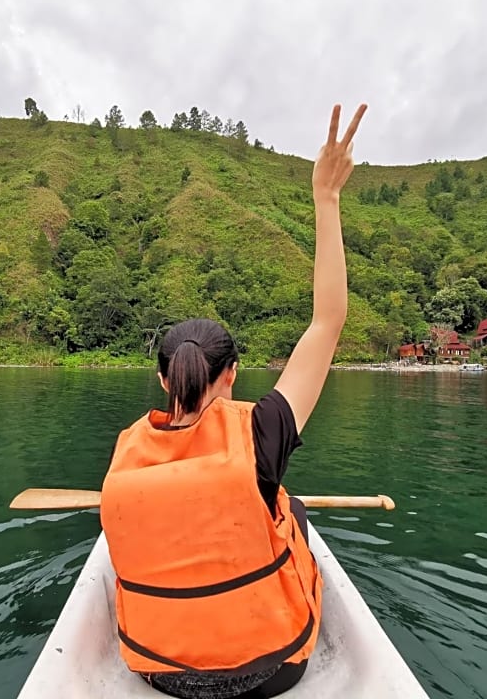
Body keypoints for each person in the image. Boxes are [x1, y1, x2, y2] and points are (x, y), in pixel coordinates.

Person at [99, 102, 367, 699]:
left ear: (165, 380)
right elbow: (328, 321)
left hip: (155, 671)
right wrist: (326, 198)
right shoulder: (263, 430)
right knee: (289, 510)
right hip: (273, 671)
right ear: (234, 374)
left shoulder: (127, 453)